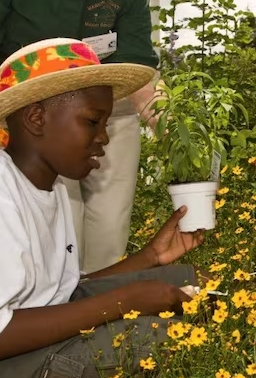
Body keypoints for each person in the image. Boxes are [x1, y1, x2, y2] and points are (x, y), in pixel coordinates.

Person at [0, 38, 204, 377]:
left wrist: (150, 257)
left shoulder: (51, 185)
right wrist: (126, 302)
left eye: (106, 124)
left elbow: (62, 291)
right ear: (36, 118)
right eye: (93, 122)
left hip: (34, 332)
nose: (104, 138)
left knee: (184, 280)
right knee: (158, 337)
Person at [0, 0, 162, 273]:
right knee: (57, 226)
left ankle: (100, 322)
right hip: (33, 119)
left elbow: (138, 72)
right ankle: (54, 317)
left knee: (109, 229)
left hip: (113, 115)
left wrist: (178, 127)